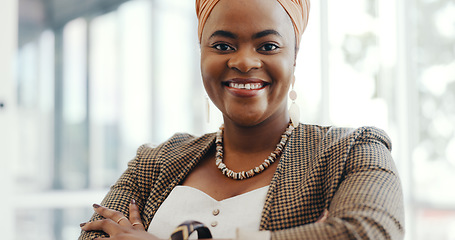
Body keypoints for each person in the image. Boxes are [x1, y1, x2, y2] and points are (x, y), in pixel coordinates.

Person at [79, 0, 405, 239]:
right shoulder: (155, 162)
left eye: (268, 46)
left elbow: (368, 234)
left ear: (294, 57)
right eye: (222, 45)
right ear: (201, 54)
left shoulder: (352, 152)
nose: (245, 61)